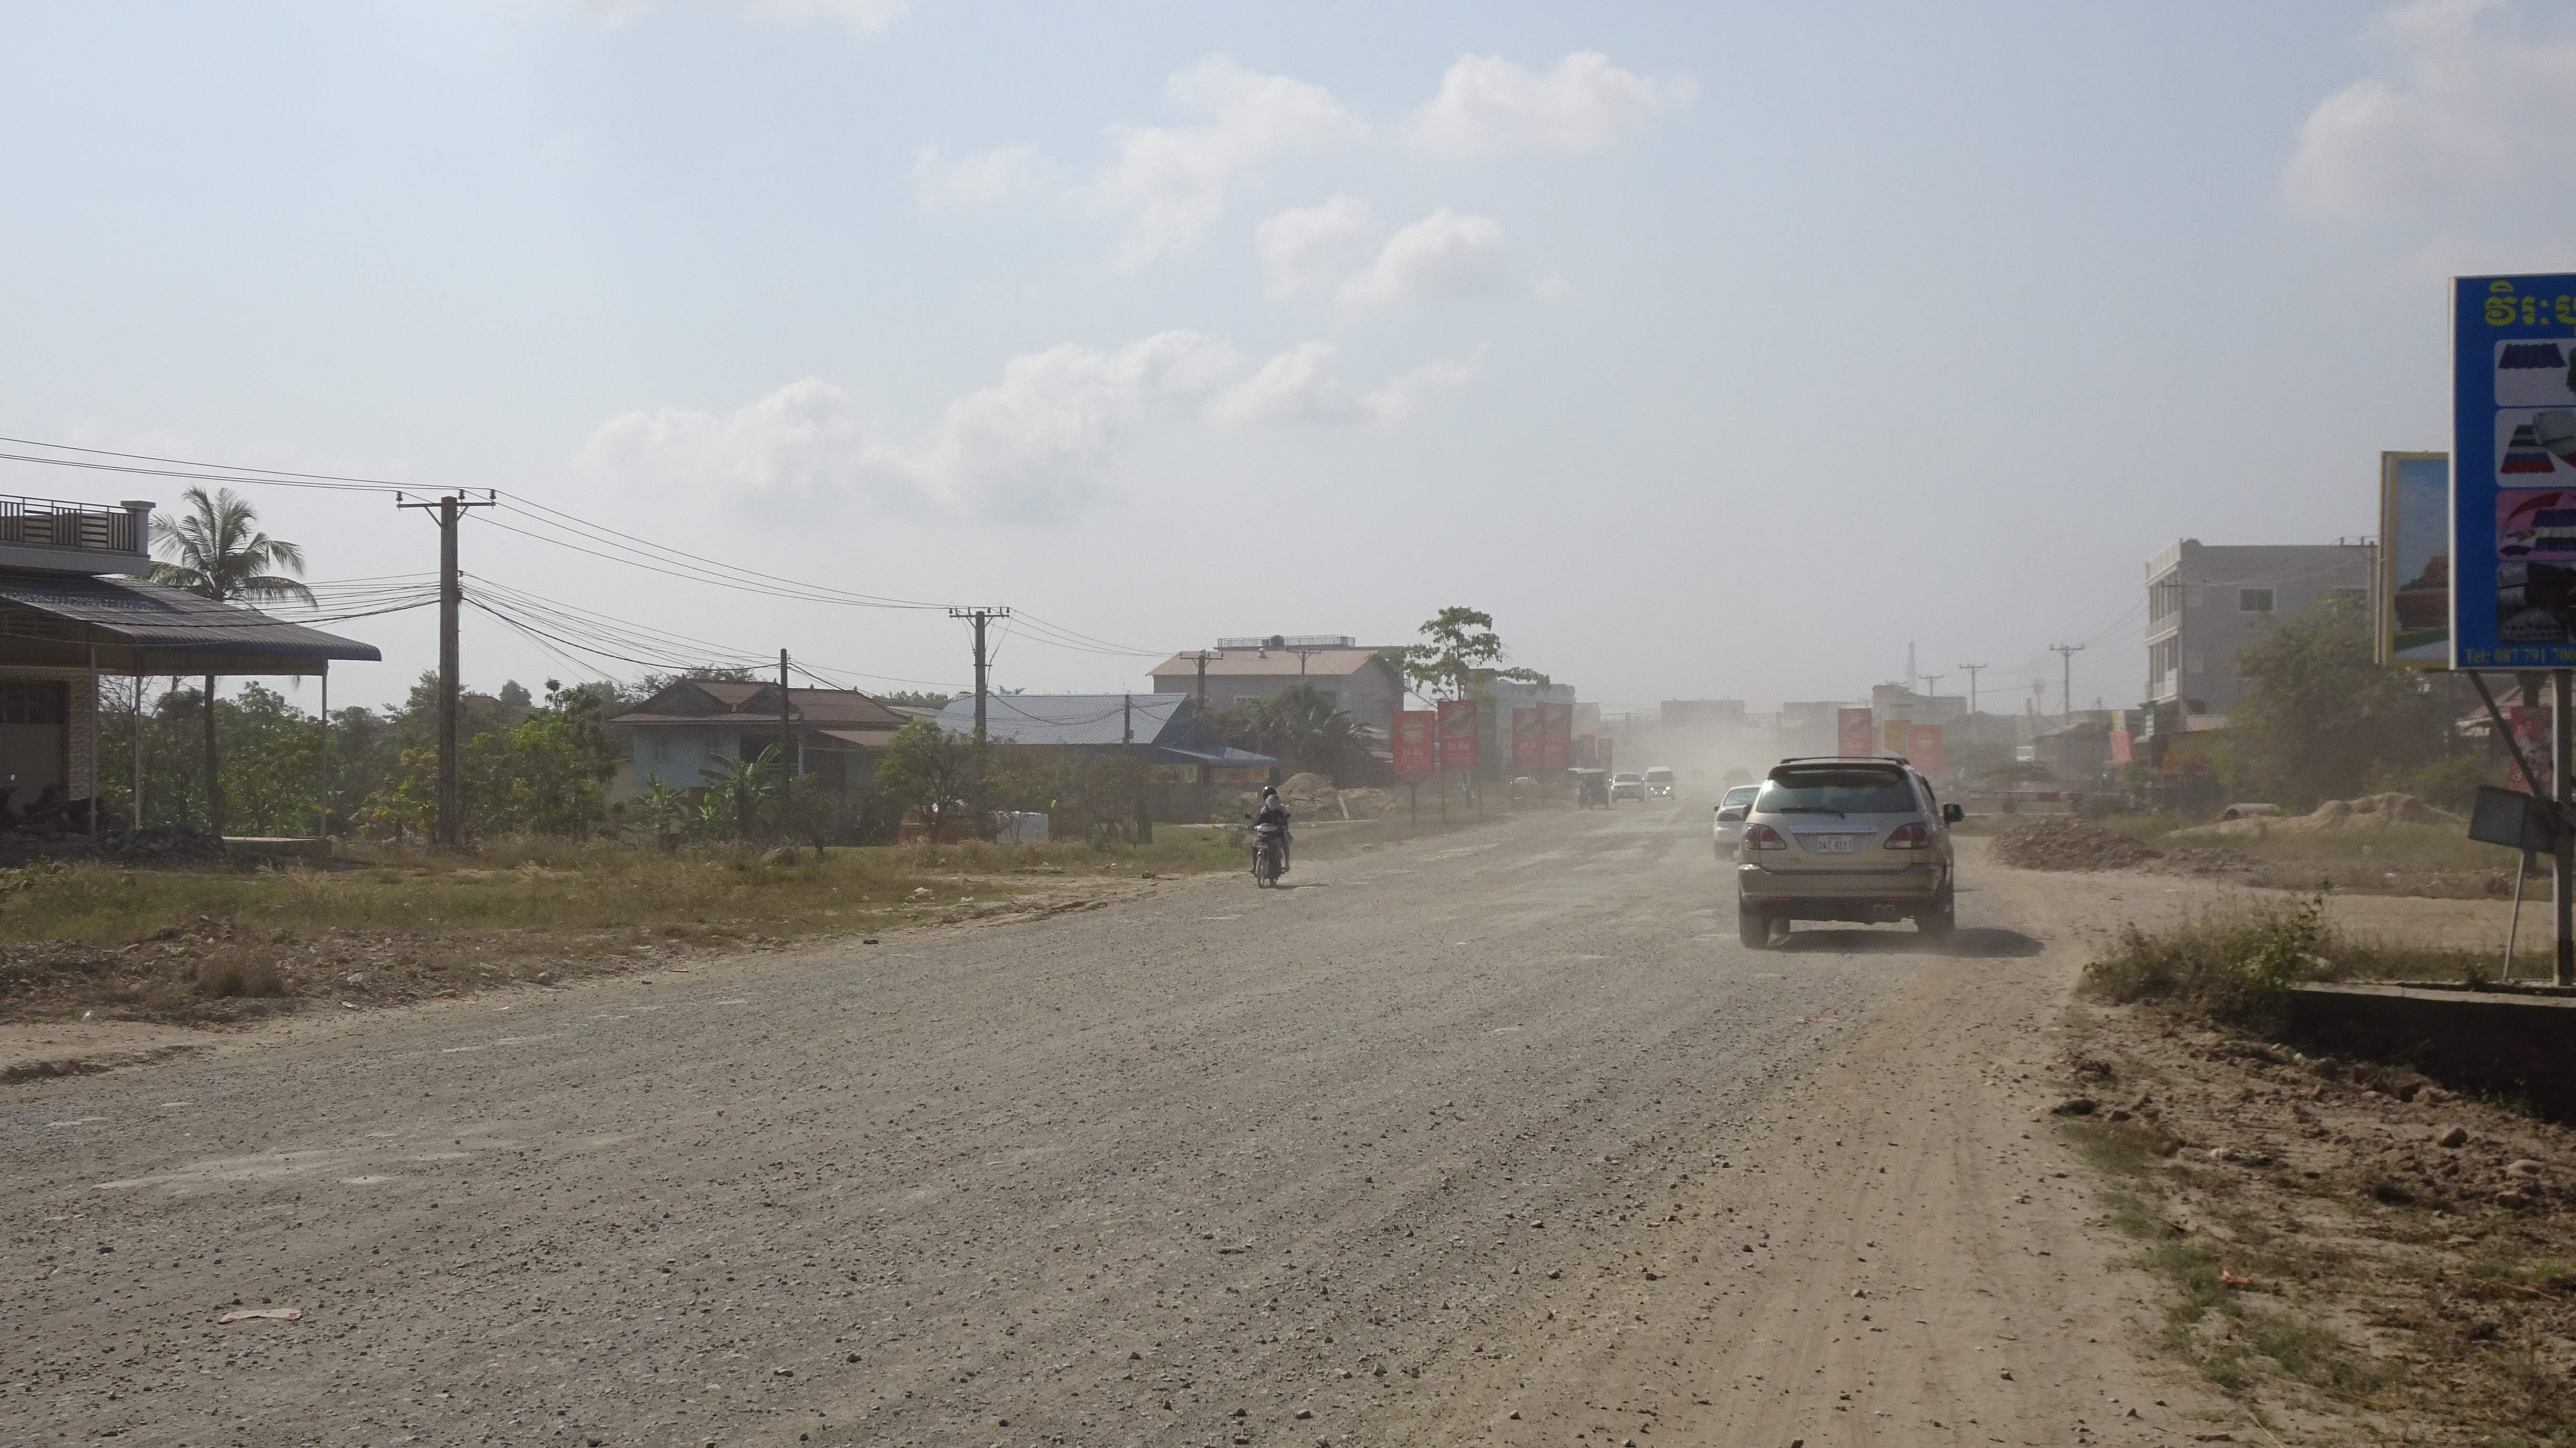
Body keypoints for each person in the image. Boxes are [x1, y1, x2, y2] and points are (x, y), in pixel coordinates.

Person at [1253, 783, 1293, 873]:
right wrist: (1255, 826)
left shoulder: (1281, 809)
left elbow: (1286, 821)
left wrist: (1284, 825)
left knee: (1286, 843)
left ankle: (1287, 863)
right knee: (1255, 844)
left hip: (1278, 832)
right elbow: (1260, 820)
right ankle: (1255, 865)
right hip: (1266, 832)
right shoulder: (1264, 810)